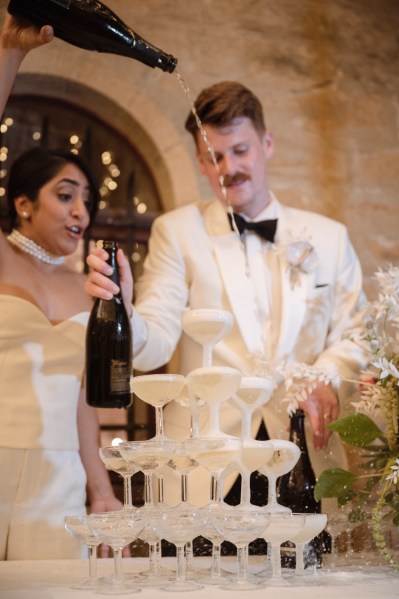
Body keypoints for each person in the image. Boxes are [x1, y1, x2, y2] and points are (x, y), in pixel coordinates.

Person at [86, 82, 367, 507]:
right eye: (214, 157)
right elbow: (153, 343)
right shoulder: (177, 232)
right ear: (200, 162)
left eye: (240, 150)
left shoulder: (330, 238)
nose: (228, 168)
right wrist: (124, 309)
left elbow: (358, 331)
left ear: (267, 143)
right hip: (205, 468)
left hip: (303, 455)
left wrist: (325, 374)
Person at [0, 14, 122, 560]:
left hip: (60, 478)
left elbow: (82, 400)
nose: (82, 210)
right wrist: (9, 53)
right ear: (24, 203)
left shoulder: (87, 287)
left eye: (88, 200)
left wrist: (102, 492)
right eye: (66, 194)